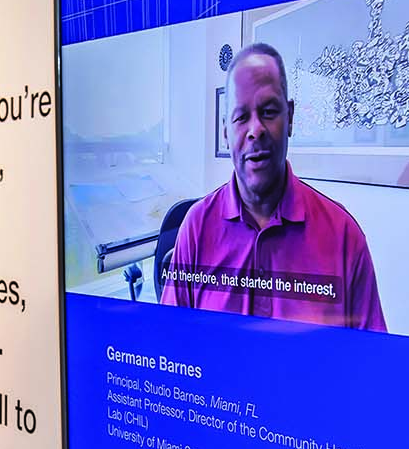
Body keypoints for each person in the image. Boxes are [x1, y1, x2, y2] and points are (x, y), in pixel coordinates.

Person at [161, 43, 386, 331]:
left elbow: (370, 365)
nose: (255, 130)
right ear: (226, 132)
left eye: (268, 111)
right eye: (241, 117)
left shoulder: (344, 236)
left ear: (290, 117)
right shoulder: (195, 228)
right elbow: (171, 345)